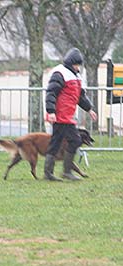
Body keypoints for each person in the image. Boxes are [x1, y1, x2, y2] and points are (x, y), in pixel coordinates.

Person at [44, 47, 97, 181]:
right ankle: (65, 171)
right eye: (76, 65)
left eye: (79, 65)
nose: (78, 68)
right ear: (71, 63)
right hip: (60, 115)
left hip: (67, 115)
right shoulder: (59, 73)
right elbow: (51, 93)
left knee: (56, 143)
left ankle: (50, 172)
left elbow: (80, 96)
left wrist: (89, 109)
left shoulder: (76, 76)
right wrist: (51, 111)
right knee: (75, 140)